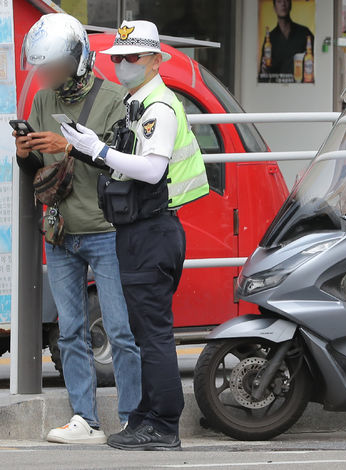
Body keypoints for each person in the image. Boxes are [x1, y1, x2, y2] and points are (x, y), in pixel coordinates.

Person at [62, 19, 209, 451]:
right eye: (117, 58)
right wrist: (91, 148)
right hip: (140, 230)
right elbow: (128, 166)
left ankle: (162, 426)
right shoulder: (136, 103)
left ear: (154, 61)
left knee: (153, 334)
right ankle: (145, 417)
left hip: (153, 231)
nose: (121, 65)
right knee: (144, 332)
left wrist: (100, 150)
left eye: (131, 58)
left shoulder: (158, 107)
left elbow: (153, 169)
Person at [14, 13, 141, 445]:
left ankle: (132, 416)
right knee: (70, 331)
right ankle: (83, 418)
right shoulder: (43, 101)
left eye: (54, 68)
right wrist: (26, 150)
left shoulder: (114, 99)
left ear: (78, 60)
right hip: (60, 231)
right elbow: (36, 168)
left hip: (106, 229)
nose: (48, 77)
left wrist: (68, 145)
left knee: (120, 330)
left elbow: (120, 164)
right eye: (43, 69)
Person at [261, 0, 314, 78]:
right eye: (279, 1)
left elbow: (318, 63)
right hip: (276, 88)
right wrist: (264, 71)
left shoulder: (305, 33)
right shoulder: (270, 39)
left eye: (286, 0)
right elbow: (262, 75)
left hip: (302, 87)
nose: (283, 4)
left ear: (291, 5)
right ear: (274, 8)